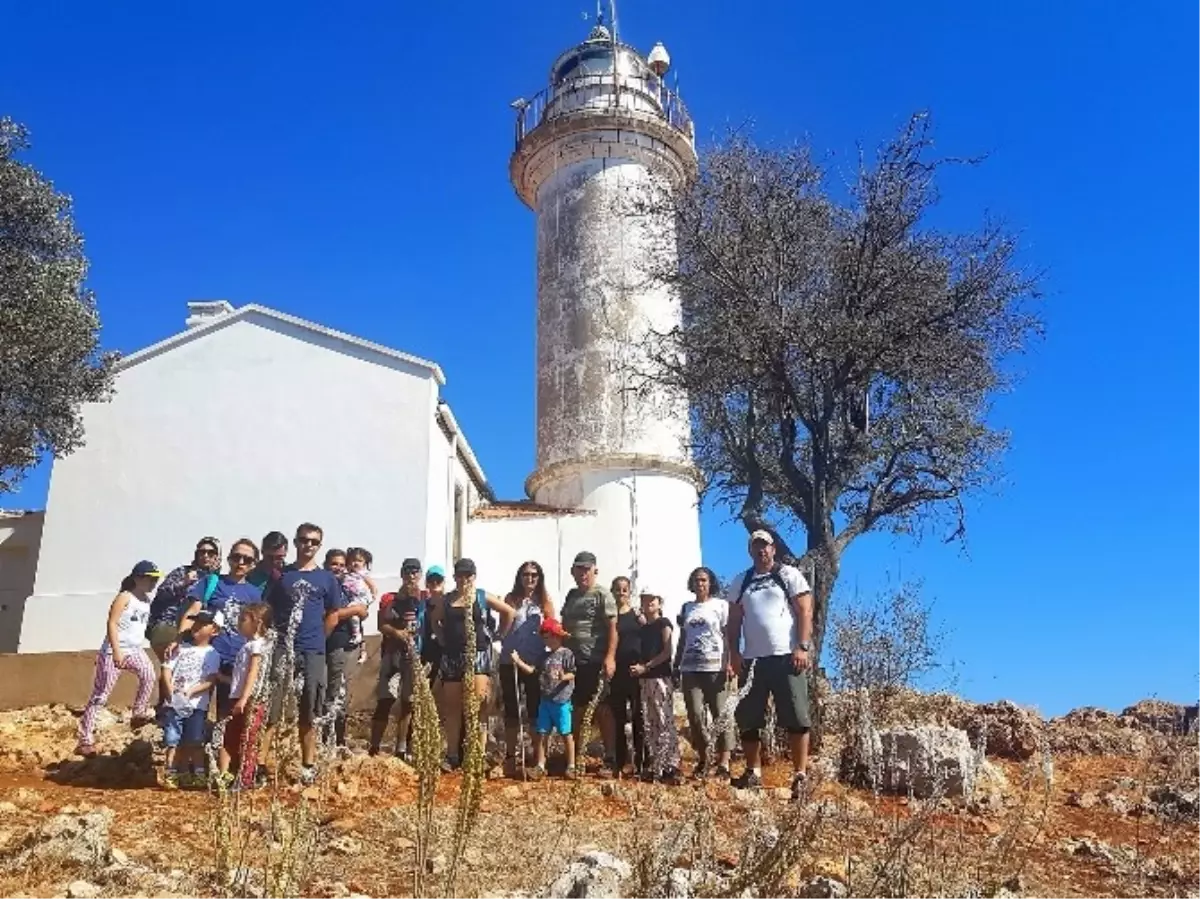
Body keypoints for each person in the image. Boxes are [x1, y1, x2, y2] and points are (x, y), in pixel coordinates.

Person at [265, 523, 363, 785]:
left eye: (313, 542)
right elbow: (268, 609)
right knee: (273, 708)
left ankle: (308, 765)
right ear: (296, 543)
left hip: (313, 651)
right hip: (283, 649)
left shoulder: (327, 579)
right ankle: (261, 767)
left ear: (319, 545)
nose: (308, 545)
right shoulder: (281, 576)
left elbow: (333, 613)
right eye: (303, 540)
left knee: (310, 707)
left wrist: (319, 637)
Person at [724, 530, 814, 800]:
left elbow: (805, 611)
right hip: (753, 659)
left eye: (765, 546)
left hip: (786, 656)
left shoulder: (788, 575)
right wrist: (734, 653)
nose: (761, 550)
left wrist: (802, 646)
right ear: (750, 551)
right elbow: (734, 620)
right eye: (756, 546)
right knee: (749, 718)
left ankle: (799, 775)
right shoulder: (742, 581)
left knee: (796, 716)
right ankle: (753, 772)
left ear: (773, 548)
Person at [430, 558, 513, 771]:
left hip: (478, 655)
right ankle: (452, 755)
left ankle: (478, 753)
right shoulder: (447, 599)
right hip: (453, 656)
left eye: (468, 575)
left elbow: (508, 612)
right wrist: (441, 638)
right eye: (460, 575)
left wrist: (498, 635)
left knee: (477, 706)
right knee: (453, 707)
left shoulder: (482, 597)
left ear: (474, 576)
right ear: (455, 576)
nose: (464, 579)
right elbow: (434, 620)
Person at [76, 561, 162, 758]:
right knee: (101, 695)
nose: (153, 582)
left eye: (155, 578)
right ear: (138, 578)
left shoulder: (146, 601)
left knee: (148, 675)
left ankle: (138, 712)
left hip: (135, 649)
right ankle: (85, 739)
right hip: (115, 649)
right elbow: (112, 623)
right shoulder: (125, 597)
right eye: (150, 578)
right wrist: (116, 651)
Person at [173, 538, 264, 718]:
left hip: (235, 660)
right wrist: (178, 641)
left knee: (226, 714)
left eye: (247, 559)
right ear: (229, 559)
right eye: (237, 557)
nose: (241, 562)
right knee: (193, 707)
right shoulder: (211, 582)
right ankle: (189, 743)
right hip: (206, 655)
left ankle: (218, 744)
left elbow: (257, 629)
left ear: (254, 565)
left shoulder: (255, 593)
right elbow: (193, 611)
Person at [676, 566, 734, 779]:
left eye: (704, 580)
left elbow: (728, 635)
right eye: (697, 580)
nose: (700, 584)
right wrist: (676, 663)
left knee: (720, 713)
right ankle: (704, 757)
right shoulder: (687, 608)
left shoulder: (720, 605)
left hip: (715, 667)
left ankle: (724, 762)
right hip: (690, 668)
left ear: (710, 583)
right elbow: (683, 638)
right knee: (696, 714)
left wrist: (728, 662)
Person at [498, 560, 554, 776]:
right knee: (511, 710)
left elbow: (552, 628)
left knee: (535, 710)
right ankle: (511, 757)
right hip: (509, 660)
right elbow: (504, 626)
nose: (529, 579)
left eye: (534, 575)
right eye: (525, 575)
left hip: (534, 662)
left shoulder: (544, 602)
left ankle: (537, 758)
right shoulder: (511, 599)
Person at [558, 551, 617, 756]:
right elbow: (565, 625)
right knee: (577, 708)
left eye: (587, 569)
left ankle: (609, 756)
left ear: (595, 570)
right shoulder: (571, 596)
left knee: (602, 708)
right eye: (579, 569)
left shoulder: (603, 595)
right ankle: (577, 756)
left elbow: (612, 628)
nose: (583, 573)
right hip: (573, 662)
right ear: (573, 571)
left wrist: (610, 657)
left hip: (595, 659)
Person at [159, 610, 221, 789]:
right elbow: (166, 669)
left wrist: (192, 691)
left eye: (202, 625)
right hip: (175, 703)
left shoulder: (212, 654)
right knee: (173, 739)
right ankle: (172, 772)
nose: (196, 628)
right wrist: (171, 693)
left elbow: (210, 679)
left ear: (214, 630)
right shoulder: (180, 648)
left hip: (196, 705)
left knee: (194, 740)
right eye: (195, 624)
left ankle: (198, 773)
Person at [371, 557, 424, 758]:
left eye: (415, 572)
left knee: (408, 701)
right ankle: (374, 746)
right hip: (392, 654)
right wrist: (396, 632)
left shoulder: (424, 598)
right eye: (408, 572)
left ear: (419, 575)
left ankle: (402, 748)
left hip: (414, 655)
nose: (411, 576)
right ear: (402, 574)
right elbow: (381, 624)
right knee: (385, 698)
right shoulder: (389, 598)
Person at [511, 617, 576, 780]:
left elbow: (573, 673)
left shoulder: (566, 654)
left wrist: (564, 676)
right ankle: (540, 765)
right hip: (545, 700)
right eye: (544, 637)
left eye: (550, 636)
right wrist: (518, 662)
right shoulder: (543, 656)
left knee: (566, 733)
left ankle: (572, 765)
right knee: (542, 733)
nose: (547, 640)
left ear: (558, 635)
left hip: (562, 701)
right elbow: (533, 671)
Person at [219, 602, 273, 791]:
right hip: (239, 697)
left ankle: (246, 778)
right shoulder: (247, 645)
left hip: (251, 699)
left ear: (257, 623)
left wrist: (244, 698)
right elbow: (240, 676)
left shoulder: (257, 646)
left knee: (248, 739)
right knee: (232, 736)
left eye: (243, 619)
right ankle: (227, 775)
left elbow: (253, 673)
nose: (239, 623)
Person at [145, 537, 221, 671]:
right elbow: (162, 594)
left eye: (211, 553)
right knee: (171, 670)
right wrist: (184, 583)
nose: (205, 556)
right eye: (201, 552)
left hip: (195, 632)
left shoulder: (217, 580)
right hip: (170, 626)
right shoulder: (183, 572)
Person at [322, 549, 370, 754]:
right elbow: (327, 614)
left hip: (342, 645)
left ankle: (336, 741)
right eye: (334, 564)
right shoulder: (323, 585)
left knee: (338, 693)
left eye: (342, 564)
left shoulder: (347, 586)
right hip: (319, 644)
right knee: (319, 692)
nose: (339, 568)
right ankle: (322, 740)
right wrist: (353, 611)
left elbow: (363, 611)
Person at [632, 587, 680, 784]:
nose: (648, 602)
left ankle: (672, 763)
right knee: (649, 721)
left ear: (659, 602)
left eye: (652, 599)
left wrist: (646, 667)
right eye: (645, 599)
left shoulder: (664, 623)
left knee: (663, 718)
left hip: (659, 677)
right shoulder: (643, 628)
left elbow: (667, 651)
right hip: (645, 679)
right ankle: (657, 764)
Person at [602, 576, 644, 778]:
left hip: (634, 671)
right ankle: (620, 760)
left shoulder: (637, 616)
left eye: (625, 589)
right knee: (618, 716)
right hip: (616, 671)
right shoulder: (610, 617)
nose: (621, 593)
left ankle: (641, 760)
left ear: (629, 592)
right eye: (617, 589)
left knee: (638, 714)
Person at [345, 547, 378, 665]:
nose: (355, 563)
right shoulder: (348, 574)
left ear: (364, 563)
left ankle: (357, 636)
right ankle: (362, 648)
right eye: (353, 560)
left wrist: (372, 596)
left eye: (359, 561)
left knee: (354, 616)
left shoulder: (362, 574)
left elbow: (372, 585)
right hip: (352, 599)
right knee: (354, 618)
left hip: (360, 599)